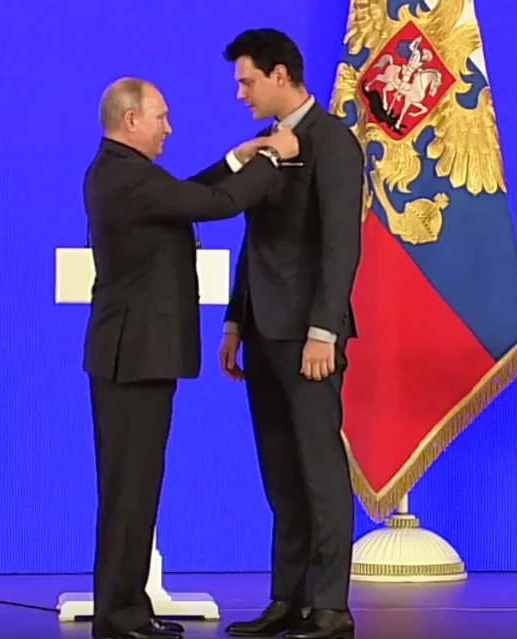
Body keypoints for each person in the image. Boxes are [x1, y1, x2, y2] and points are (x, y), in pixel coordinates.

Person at [82, 77, 299, 639]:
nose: (169, 128)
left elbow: (184, 196)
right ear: (131, 120)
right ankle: (118, 617)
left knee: (135, 489)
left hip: (134, 357)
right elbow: (216, 204)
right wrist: (273, 157)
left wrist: (236, 159)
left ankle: (127, 608)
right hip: (133, 359)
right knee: (129, 491)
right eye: (161, 117)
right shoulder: (127, 176)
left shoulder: (126, 174)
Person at [201, 30, 365, 639]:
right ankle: (287, 599)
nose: (240, 94)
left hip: (307, 338)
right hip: (262, 331)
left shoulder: (333, 142)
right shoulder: (267, 146)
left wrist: (324, 331)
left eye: (247, 81)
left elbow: (341, 245)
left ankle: (330, 607)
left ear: (279, 75)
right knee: (280, 473)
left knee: (319, 472)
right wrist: (234, 321)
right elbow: (256, 241)